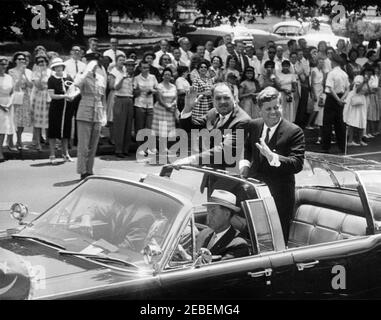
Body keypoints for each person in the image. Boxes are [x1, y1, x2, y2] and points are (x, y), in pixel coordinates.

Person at [240, 86, 305, 241]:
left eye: (276, 107)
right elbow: (249, 147)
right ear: (259, 110)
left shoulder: (294, 131)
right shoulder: (254, 125)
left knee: (277, 239)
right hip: (255, 193)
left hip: (280, 197)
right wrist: (245, 165)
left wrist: (273, 157)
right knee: (253, 235)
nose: (273, 112)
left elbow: (297, 163)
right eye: (268, 108)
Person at [175, 82, 250, 170]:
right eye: (218, 98)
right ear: (212, 99)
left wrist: (191, 160)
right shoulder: (213, 113)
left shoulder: (243, 120)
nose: (222, 102)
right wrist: (187, 108)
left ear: (234, 97)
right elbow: (189, 127)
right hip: (211, 171)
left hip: (230, 175)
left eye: (226, 98)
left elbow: (225, 150)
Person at [74, 53, 106, 179]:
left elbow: (102, 97)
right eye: (91, 62)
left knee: (93, 145)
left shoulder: (100, 77)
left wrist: (104, 115)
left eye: (96, 62)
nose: (94, 65)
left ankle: (89, 169)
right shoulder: (82, 75)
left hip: (97, 111)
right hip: (84, 111)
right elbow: (76, 85)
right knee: (84, 145)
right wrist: (86, 71)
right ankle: (82, 170)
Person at [195, 189, 249, 260]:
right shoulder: (204, 234)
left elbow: (220, 268)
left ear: (227, 214)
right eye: (208, 211)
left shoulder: (239, 245)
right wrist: (185, 256)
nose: (209, 216)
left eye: (213, 212)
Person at [47, 58, 77, 164]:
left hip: (67, 108)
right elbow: (52, 95)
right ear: (54, 68)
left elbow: (74, 89)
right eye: (56, 67)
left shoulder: (68, 77)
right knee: (54, 130)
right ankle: (52, 154)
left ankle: (66, 154)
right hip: (56, 108)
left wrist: (72, 96)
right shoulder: (51, 79)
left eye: (60, 66)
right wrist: (64, 96)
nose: (58, 68)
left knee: (66, 131)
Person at [321, 53, 350, 154]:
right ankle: (342, 146)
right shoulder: (344, 74)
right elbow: (348, 89)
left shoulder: (331, 73)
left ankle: (326, 147)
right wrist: (341, 99)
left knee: (327, 124)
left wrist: (337, 99)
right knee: (340, 124)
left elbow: (330, 88)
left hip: (332, 99)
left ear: (334, 62)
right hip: (341, 97)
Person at [109, 56, 135, 158]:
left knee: (128, 126)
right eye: (128, 66)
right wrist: (122, 78)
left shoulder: (132, 76)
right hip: (120, 99)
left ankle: (125, 149)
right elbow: (115, 87)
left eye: (132, 66)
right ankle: (118, 149)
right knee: (120, 125)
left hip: (129, 99)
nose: (130, 68)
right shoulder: (120, 74)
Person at [8, 52, 33, 150]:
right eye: (19, 59)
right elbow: (15, 86)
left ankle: (19, 139)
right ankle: (11, 140)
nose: (22, 60)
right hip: (16, 96)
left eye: (23, 59)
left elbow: (31, 85)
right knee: (14, 120)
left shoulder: (29, 71)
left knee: (23, 120)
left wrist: (25, 74)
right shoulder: (11, 71)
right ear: (15, 61)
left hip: (26, 97)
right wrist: (20, 75)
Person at [133, 61, 158, 156]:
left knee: (149, 127)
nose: (146, 69)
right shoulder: (136, 78)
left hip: (150, 105)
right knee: (139, 128)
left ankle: (148, 147)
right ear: (140, 68)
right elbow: (134, 91)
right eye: (144, 68)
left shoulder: (153, 77)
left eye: (147, 68)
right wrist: (141, 91)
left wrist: (152, 91)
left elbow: (157, 89)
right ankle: (140, 148)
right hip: (140, 104)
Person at [151, 67, 177, 156]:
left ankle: (164, 147)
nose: (167, 76)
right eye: (165, 74)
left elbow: (175, 98)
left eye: (169, 75)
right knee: (161, 129)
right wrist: (167, 106)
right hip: (161, 109)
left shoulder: (173, 86)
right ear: (162, 76)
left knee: (167, 130)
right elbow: (159, 99)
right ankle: (159, 148)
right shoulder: (159, 86)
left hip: (170, 110)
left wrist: (172, 105)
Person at [31, 54, 51, 151]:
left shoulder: (51, 71)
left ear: (46, 62)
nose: (42, 63)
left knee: (49, 120)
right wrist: (42, 73)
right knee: (38, 121)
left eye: (43, 61)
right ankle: (38, 142)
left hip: (49, 96)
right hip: (39, 97)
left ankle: (48, 140)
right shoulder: (35, 73)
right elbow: (39, 86)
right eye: (39, 62)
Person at [343, 75, 367, 146]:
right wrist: (364, 82)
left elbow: (367, 91)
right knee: (353, 121)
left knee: (362, 120)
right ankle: (350, 141)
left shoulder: (364, 80)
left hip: (362, 101)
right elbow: (357, 90)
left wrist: (366, 82)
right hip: (355, 102)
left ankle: (359, 140)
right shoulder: (358, 79)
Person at [306, 57, 325, 143]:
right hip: (316, 89)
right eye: (320, 62)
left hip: (321, 88)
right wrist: (313, 93)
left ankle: (315, 123)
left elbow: (323, 81)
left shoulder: (322, 71)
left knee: (319, 108)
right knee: (315, 108)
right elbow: (312, 83)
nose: (321, 64)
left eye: (322, 62)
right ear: (317, 63)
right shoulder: (314, 70)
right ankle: (309, 124)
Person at [0, 56, 14, 162]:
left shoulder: (9, 77)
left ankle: (1, 149)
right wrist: (1, 106)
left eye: (5, 64)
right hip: (0, 104)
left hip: (8, 104)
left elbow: (12, 92)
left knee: (4, 128)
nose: (3, 66)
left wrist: (9, 104)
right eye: (1, 64)